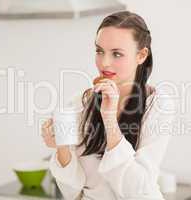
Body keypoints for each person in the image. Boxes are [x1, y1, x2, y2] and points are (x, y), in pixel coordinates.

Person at [41, 10, 177, 200]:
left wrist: (109, 118)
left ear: (141, 55)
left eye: (117, 54)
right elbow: (72, 192)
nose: (104, 63)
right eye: (99, 51)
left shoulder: (158, 104)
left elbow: (136, 189)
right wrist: (61, 147)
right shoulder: (80, 103)